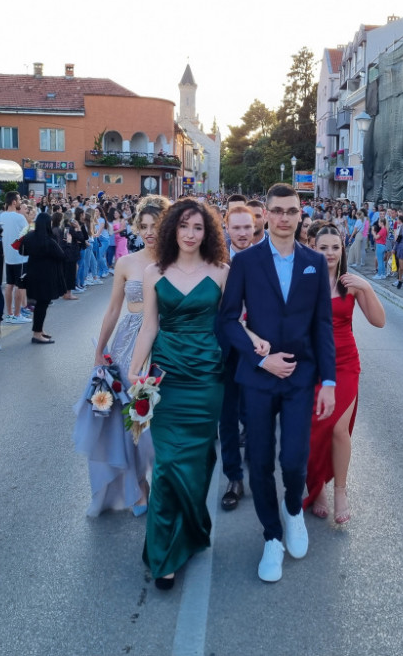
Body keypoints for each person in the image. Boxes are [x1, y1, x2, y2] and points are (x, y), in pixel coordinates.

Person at [219, 183, 337, 584]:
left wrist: (329, 381)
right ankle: (272, 536)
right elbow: (227, 320)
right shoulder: (246, 262)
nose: (285, 218)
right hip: (257, 377)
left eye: (292, 211)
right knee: (260, 460)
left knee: (293, 458)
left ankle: (292, 510)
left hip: (301, 377)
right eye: (278, 211)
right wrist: (260, 358)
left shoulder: (314, 262)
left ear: (301, 215)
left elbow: (322, 325)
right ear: (265, 215)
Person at [128, 199, 230, 590]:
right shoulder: (154, 272)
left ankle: (191, 530)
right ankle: (164, 555)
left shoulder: (222, 272)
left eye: (198, 227)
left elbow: (232, 323)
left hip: (206, 378)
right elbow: (149, 327)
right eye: (184, 225)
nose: (190, 233)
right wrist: (136, 371)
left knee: (198, 462)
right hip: (166, 377)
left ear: (208, 233)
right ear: (172, 228)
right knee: (168, 465)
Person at [73, 196, 168, 516]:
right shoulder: (127, 263)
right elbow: (114, 308)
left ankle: (165, 482)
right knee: (131, 419)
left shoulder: (177, 261)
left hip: (165, 342)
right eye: (144, 226)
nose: (150, 232)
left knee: (160, 419)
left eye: (156, 225)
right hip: (127, 344)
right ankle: (138, 486)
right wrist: (100, 349)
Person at [304, 224, 384, 524]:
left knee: (338, 429)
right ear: (312, 248)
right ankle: (317, 488)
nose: (330, 253)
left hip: (345, 363)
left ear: (342, 249)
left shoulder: (350, 284)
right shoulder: (302, 281)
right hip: (312, 365)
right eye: (323, 247)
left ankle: (340, 490)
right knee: (315, 432)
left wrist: (367, 287)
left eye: (335, 247)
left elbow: (379, 321)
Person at [219, 205, 256, 511]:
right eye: (237, 228)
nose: (242, 233)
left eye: (247, 227)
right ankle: (234, 477)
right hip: (227, 349)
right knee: (227, 418)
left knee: (257, 416)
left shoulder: (267, 260)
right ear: (227, 229)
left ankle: (257, 468)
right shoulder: (216, 263)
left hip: (260, 350)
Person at [21, 212, 66, 343]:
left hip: (33, 274)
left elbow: (22, 251)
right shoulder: (49, 241)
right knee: (42, 305)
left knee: (40, 305)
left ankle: (39, 330)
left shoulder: (29, 237)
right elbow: (61, 255)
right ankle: (37, 333)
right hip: (46, 276)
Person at [0, 192, 32, 324]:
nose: (20, 202)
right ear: (13, 202)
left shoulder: (2, 216)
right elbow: (27, 234)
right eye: (19, 200)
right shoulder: (19, 217)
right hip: (20, 257)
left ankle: (10, 314)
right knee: (20, 285)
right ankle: (17, 314)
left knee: (9, 285)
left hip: (8, 256)